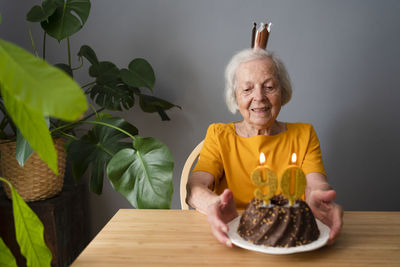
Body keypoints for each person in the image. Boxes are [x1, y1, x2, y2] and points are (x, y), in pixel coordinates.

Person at [186, 48, 343, 247]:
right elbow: (195, 187)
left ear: (282, 91)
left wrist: (321, 197)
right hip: (233, 237)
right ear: (235, 96)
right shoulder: (219, 135)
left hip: (291, 241)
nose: (259, 97)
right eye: (247, 89)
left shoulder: (304, 135)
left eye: (269, 87)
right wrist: (214, 205)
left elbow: (316, 184)